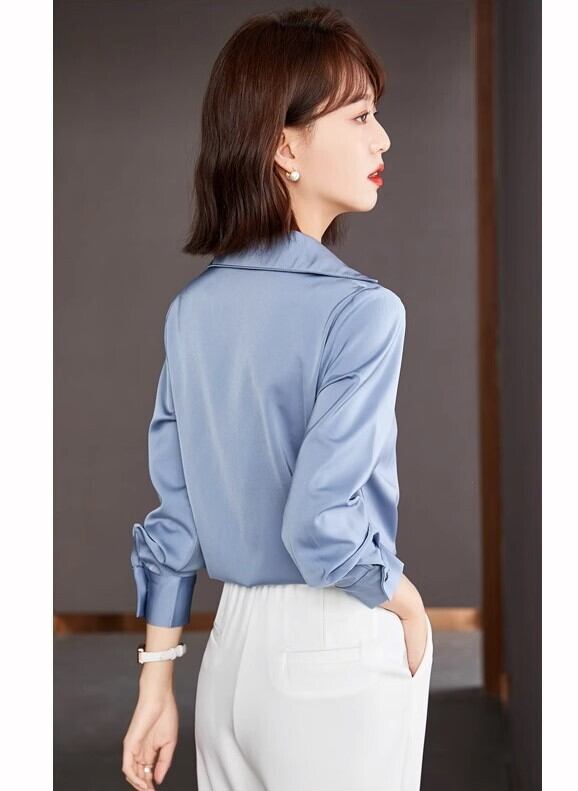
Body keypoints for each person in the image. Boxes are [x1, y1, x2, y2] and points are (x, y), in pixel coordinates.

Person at [122, 6, 432, 790]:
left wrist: (157, 681)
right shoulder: (363, 311)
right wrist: (403, 599)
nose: (382, 139)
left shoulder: (192, 311)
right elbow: (319, 523)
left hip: (230, 655)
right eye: (359, 116)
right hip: (335, 644)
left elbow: (177, 520)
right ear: (284, 146)